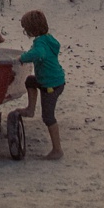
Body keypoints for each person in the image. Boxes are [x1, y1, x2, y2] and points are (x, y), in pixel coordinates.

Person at [18, 9, 65, 159]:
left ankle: (57, 150)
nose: (25, 31)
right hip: (53, 79)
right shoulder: (47, 39)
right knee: (30, 81)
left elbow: (38, 54)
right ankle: (30, 109)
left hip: (51, 85)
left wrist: (22, 58)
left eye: (26, 29)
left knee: (48, 117)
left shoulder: (40, 43)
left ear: (32, 29)